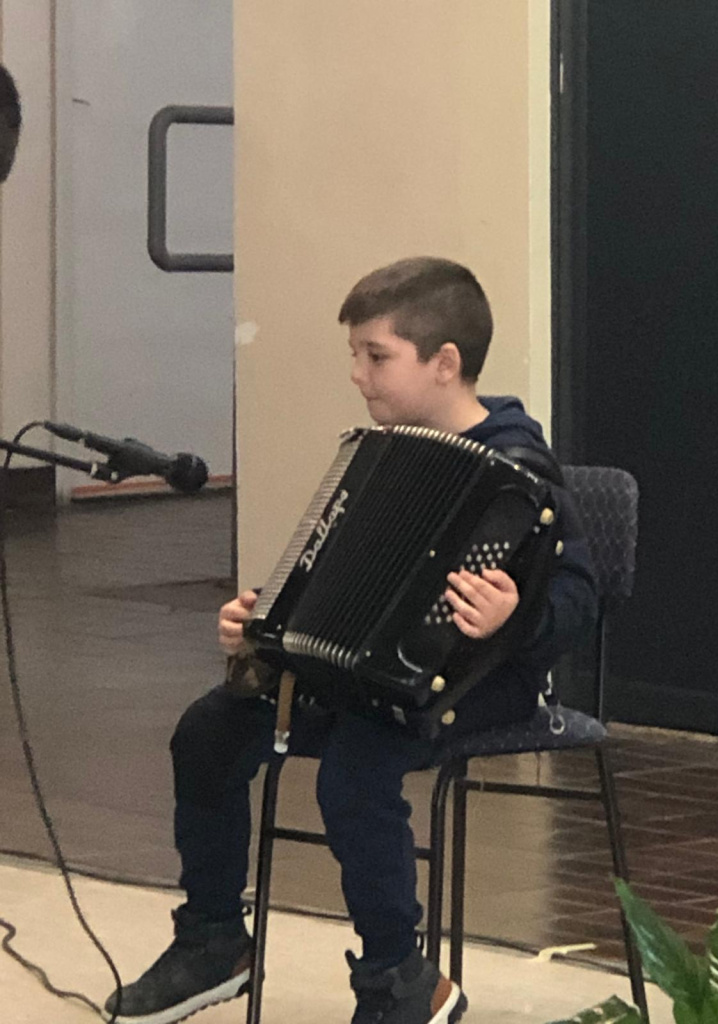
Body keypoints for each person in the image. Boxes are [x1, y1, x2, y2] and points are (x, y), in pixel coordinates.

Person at [105, 257, 597, 1024]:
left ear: (444, 363)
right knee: (209, 730)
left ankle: (399, 979)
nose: (358, 375)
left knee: (353, 772)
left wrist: (516, 616)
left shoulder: (519, 467)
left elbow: (580, 598)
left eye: (376, 356)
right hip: (365, 679)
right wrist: (262, 622)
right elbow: (332, 577)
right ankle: (213, 940)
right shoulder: (379, 455)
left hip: (481, 683)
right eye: (356, 355)